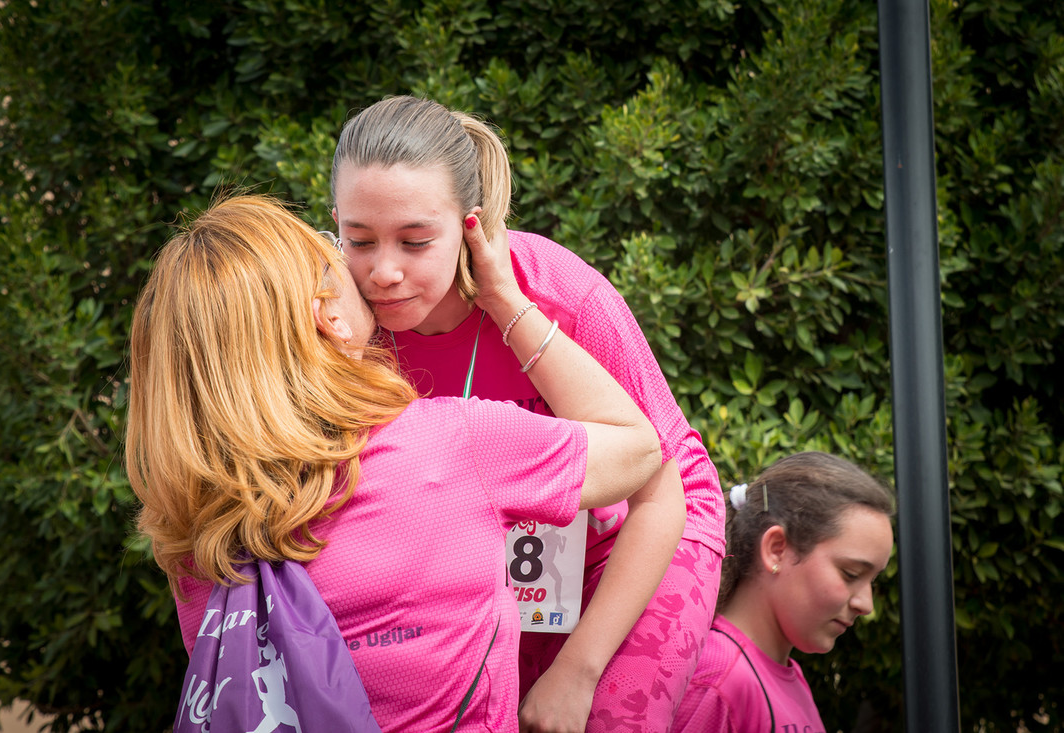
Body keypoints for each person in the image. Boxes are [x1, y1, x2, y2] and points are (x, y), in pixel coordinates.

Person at [124, 194, 673, 732]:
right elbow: (640, 449)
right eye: (332, 246)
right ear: (329, 318)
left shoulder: (193, 531)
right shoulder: (451, 445)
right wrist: (507, 299)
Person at [329, 94, 725, 730]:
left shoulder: (558, 289)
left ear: (470, 227)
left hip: (639, 533)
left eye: (414, 241)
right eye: (359, 240)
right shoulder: (333, 317)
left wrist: (579, 669)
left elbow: (661, 480)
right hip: (490, 560)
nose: (384, 272)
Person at [669, 451, 896, 732]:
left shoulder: (787, 675)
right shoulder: (718, 680)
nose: (867, 605)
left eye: (872, 579)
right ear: (776, 549)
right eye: (851, 574)